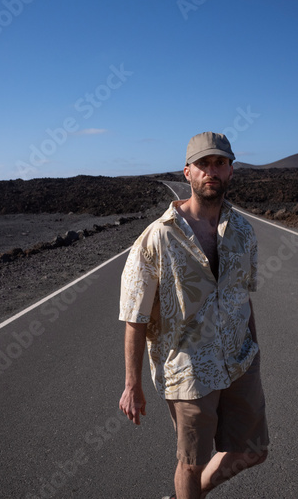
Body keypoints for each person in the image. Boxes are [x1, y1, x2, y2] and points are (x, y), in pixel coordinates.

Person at [118, 132, 269, 499]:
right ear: (187, 172)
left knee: (253, 451)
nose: (211, 171)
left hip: (239, 361)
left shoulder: (244, 232)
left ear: (232, 170)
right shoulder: (157, 238)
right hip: (188, 370)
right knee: (191, 462)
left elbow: (242, 296)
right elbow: (134, 316)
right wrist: (132, 383)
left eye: (220, 163)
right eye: (203, 164)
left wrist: (255, 349)